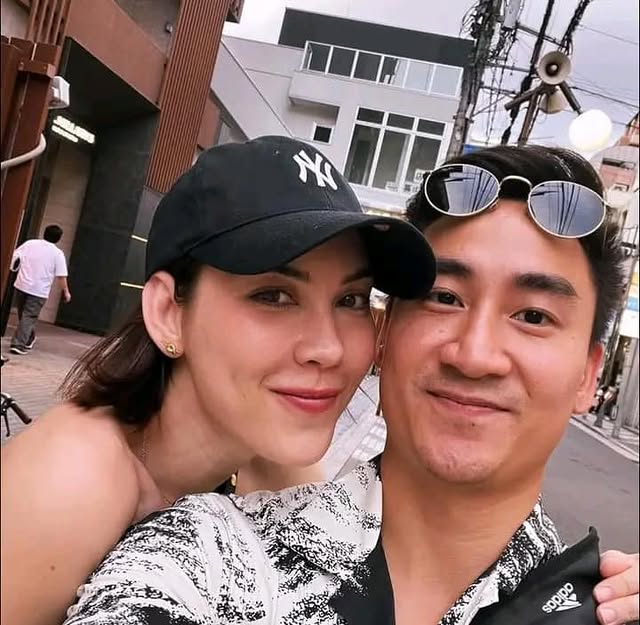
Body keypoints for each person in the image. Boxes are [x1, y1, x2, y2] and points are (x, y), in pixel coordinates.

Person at [62, 144, 639, 625]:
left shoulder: (600, 606)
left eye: (533, 316)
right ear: (384, 336)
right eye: (444, 298)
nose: (475, 355)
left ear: (589, 376)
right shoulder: (206, 561)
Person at [0, 136, 436, 625]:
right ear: (168, 313)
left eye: (350, 300)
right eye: (274, 296)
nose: (329, 348)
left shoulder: (265, 458)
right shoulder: (69, 483)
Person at [9, 224, 71, 355]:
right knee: (28, 316)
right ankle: (19, 344)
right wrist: (66, 291)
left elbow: (15, 257)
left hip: (21, 285)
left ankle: (26, 339)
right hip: (39, 290)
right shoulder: (57, 254)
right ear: (59, 238)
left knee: (24, 315)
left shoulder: (30, 244)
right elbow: (61, 275)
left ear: (44, 233)